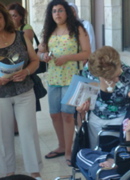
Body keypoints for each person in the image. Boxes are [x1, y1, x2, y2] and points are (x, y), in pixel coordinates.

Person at [37, 0, 91, 166]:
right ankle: (61, 146)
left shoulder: (78, 29)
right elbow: (40, 51)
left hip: (72, 77)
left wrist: (67, 57)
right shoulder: (49, 30)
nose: (57, 14)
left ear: (67, 12)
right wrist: (43, 56)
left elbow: (87, 53)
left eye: (60, 10)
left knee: (68, 115)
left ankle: (69, 150)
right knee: (54, 114)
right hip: (53, 78)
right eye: (54, 11)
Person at [76, 46, 130, 150]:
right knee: (96, 155)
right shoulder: (89, 71)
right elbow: (78, 101)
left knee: (116, 155)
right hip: (95, 120)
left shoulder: (128, 74)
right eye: (112, 77)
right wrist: (81, 109)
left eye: (118, 74)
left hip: (120, 122)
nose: (117, 79)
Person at [76, 81, 130, 180]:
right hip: (118, 153)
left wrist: (129, 131)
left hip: (128, 158)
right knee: (81, 154)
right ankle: (106, 163)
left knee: (97, 170)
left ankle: (106, 166)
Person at [0, 3, 42, 180]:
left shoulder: (20, 36)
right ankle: (7, 173)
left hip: (24, 91)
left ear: (4, 17)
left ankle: (34, 173)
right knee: (3, 137)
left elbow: (35, 60)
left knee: (28, 132)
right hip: (1, 95)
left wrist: (26, 71)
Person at [7, 2, 41, 136]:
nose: (12, 18)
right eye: (9, 16)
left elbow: (26, 50)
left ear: (20, 17)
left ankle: (22, 128)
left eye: (15, 16)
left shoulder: (25, 30)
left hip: (25, 69)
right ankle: (15, 129)